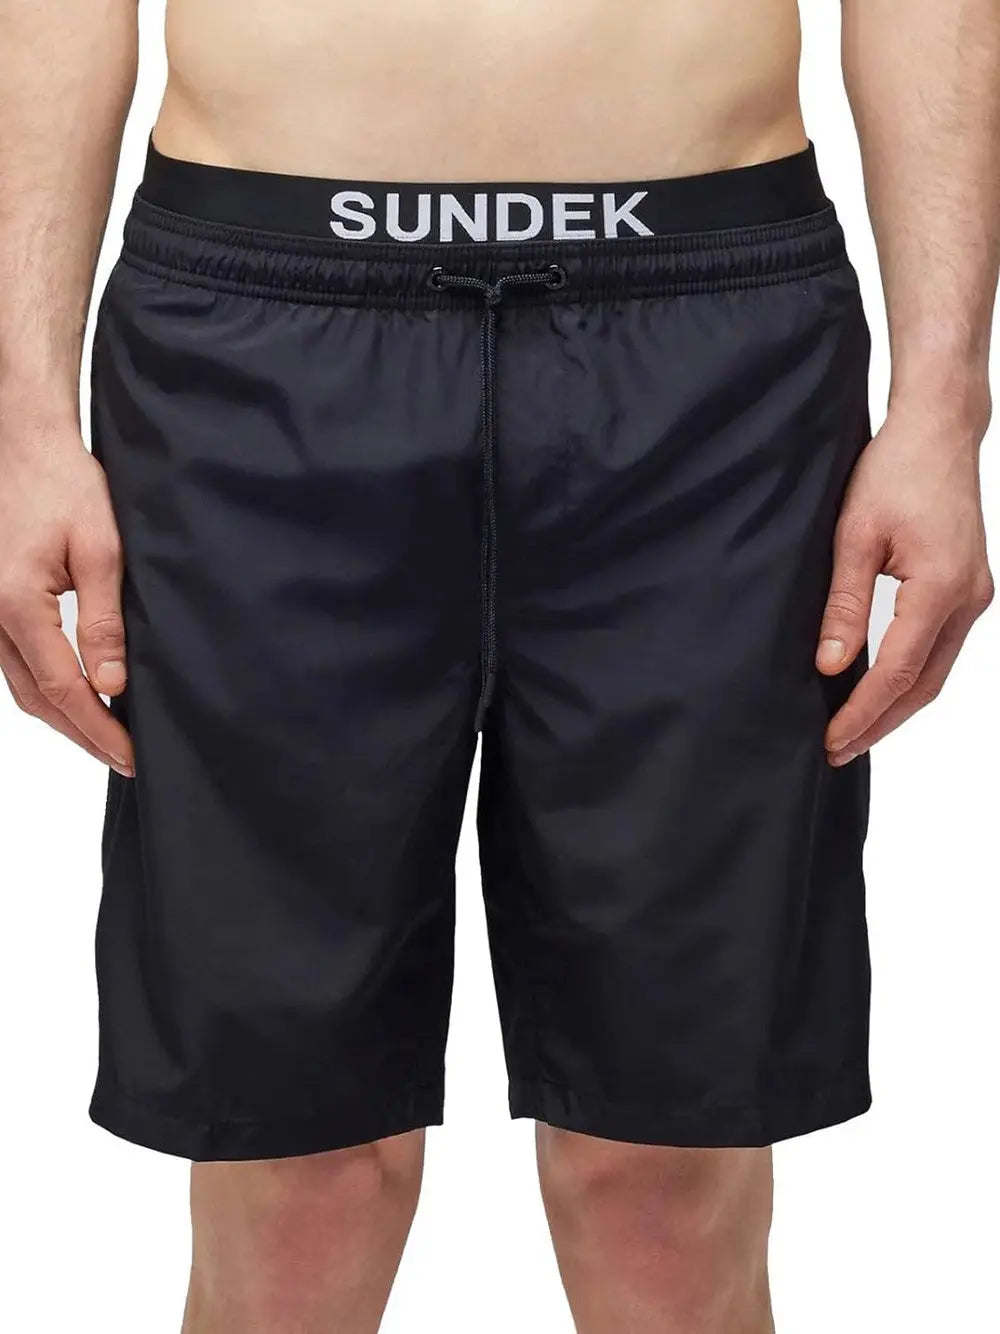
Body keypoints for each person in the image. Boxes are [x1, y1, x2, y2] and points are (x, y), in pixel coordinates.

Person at [0, 2, 996, 1330]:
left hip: (710, 356)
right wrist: (23, 415)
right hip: (257, 334)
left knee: (663, 1167)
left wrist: (945, 400)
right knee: (292, 1171)